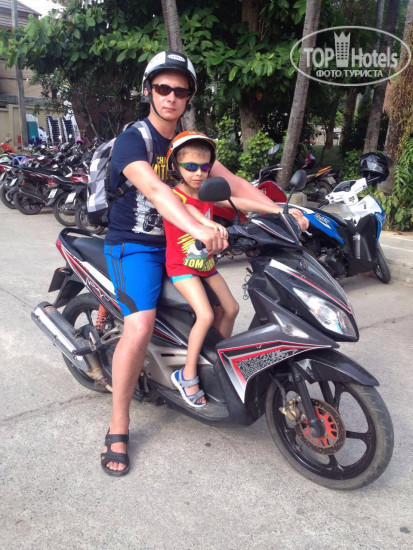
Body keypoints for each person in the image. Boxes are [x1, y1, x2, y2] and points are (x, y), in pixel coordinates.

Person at [101, 50, 309, 476]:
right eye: (163, 88)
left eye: (180, 91)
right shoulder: (133, 140)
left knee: (222, 307)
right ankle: (118, 425)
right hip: (135, 245)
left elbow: (234, 185)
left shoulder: (189, 145)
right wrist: (198, 225)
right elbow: (157, 191)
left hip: (182, 245)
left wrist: (282, 211)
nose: (171, 97)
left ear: (188, 97)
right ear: (148, 91)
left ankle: (202, 370)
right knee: (139, 326)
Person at [164, 131, 240, 407]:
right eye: (191, 166)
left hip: (206, 265)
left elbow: (238, 203)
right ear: (176, 166)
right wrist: (209, 224)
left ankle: (217, 360)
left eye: (204, 167)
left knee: (232, 308)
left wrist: (276, 212)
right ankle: (187, 374)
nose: (198, 173)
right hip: (181, 267)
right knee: (205, 314)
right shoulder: (172, 195)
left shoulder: (207, 192)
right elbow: (189, 212)